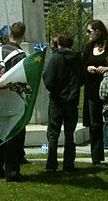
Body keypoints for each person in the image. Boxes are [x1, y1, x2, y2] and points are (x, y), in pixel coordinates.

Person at [82, 19, 108, 165]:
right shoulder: (88, 47)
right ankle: (96, 157)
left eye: (89, 31)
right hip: (92, 91)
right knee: (95, 125)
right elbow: (82, 65)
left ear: (98, 31)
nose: (88, 34)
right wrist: (88, 69)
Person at [0, 21, 27, 182]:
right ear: (22, 36)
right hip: (13, 98)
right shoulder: (20, 56)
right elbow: (23, 80)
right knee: (12, 135)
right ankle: (12, 171)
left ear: (9, 33)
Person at [43, 32, 84, 173]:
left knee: (53, 134)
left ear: (59, 43)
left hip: (56, 100)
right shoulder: (78, 59)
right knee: (69, 134)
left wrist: (55, 90)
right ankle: (68, 165)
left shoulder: (55, 59)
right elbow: (82, 78)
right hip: (72, 101)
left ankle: (51, 164)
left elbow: (48, 80)